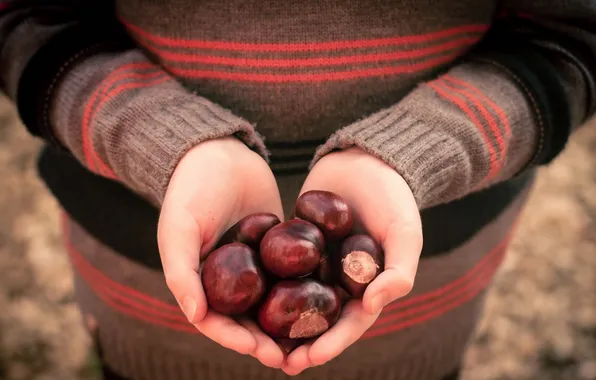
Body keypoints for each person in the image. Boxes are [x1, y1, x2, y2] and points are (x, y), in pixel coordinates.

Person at [1, 1, 594, 379]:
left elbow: (569, 40)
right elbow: (27, 23)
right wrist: (163, 138)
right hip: (137, 286)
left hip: (430, 291)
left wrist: (418, 148)